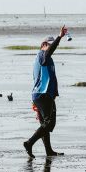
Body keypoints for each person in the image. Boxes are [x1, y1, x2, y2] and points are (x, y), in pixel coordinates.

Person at [24, 26, 68, 159]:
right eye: (49, 45)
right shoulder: (43, 55)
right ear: (43, 45)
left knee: (45, 124)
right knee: (49, 123)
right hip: (42, 95)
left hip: (43, 95)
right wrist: (59, 37)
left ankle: (48, 151)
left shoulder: (46, 58)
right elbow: (49, 52)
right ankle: (29, 143)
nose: (52, 47)